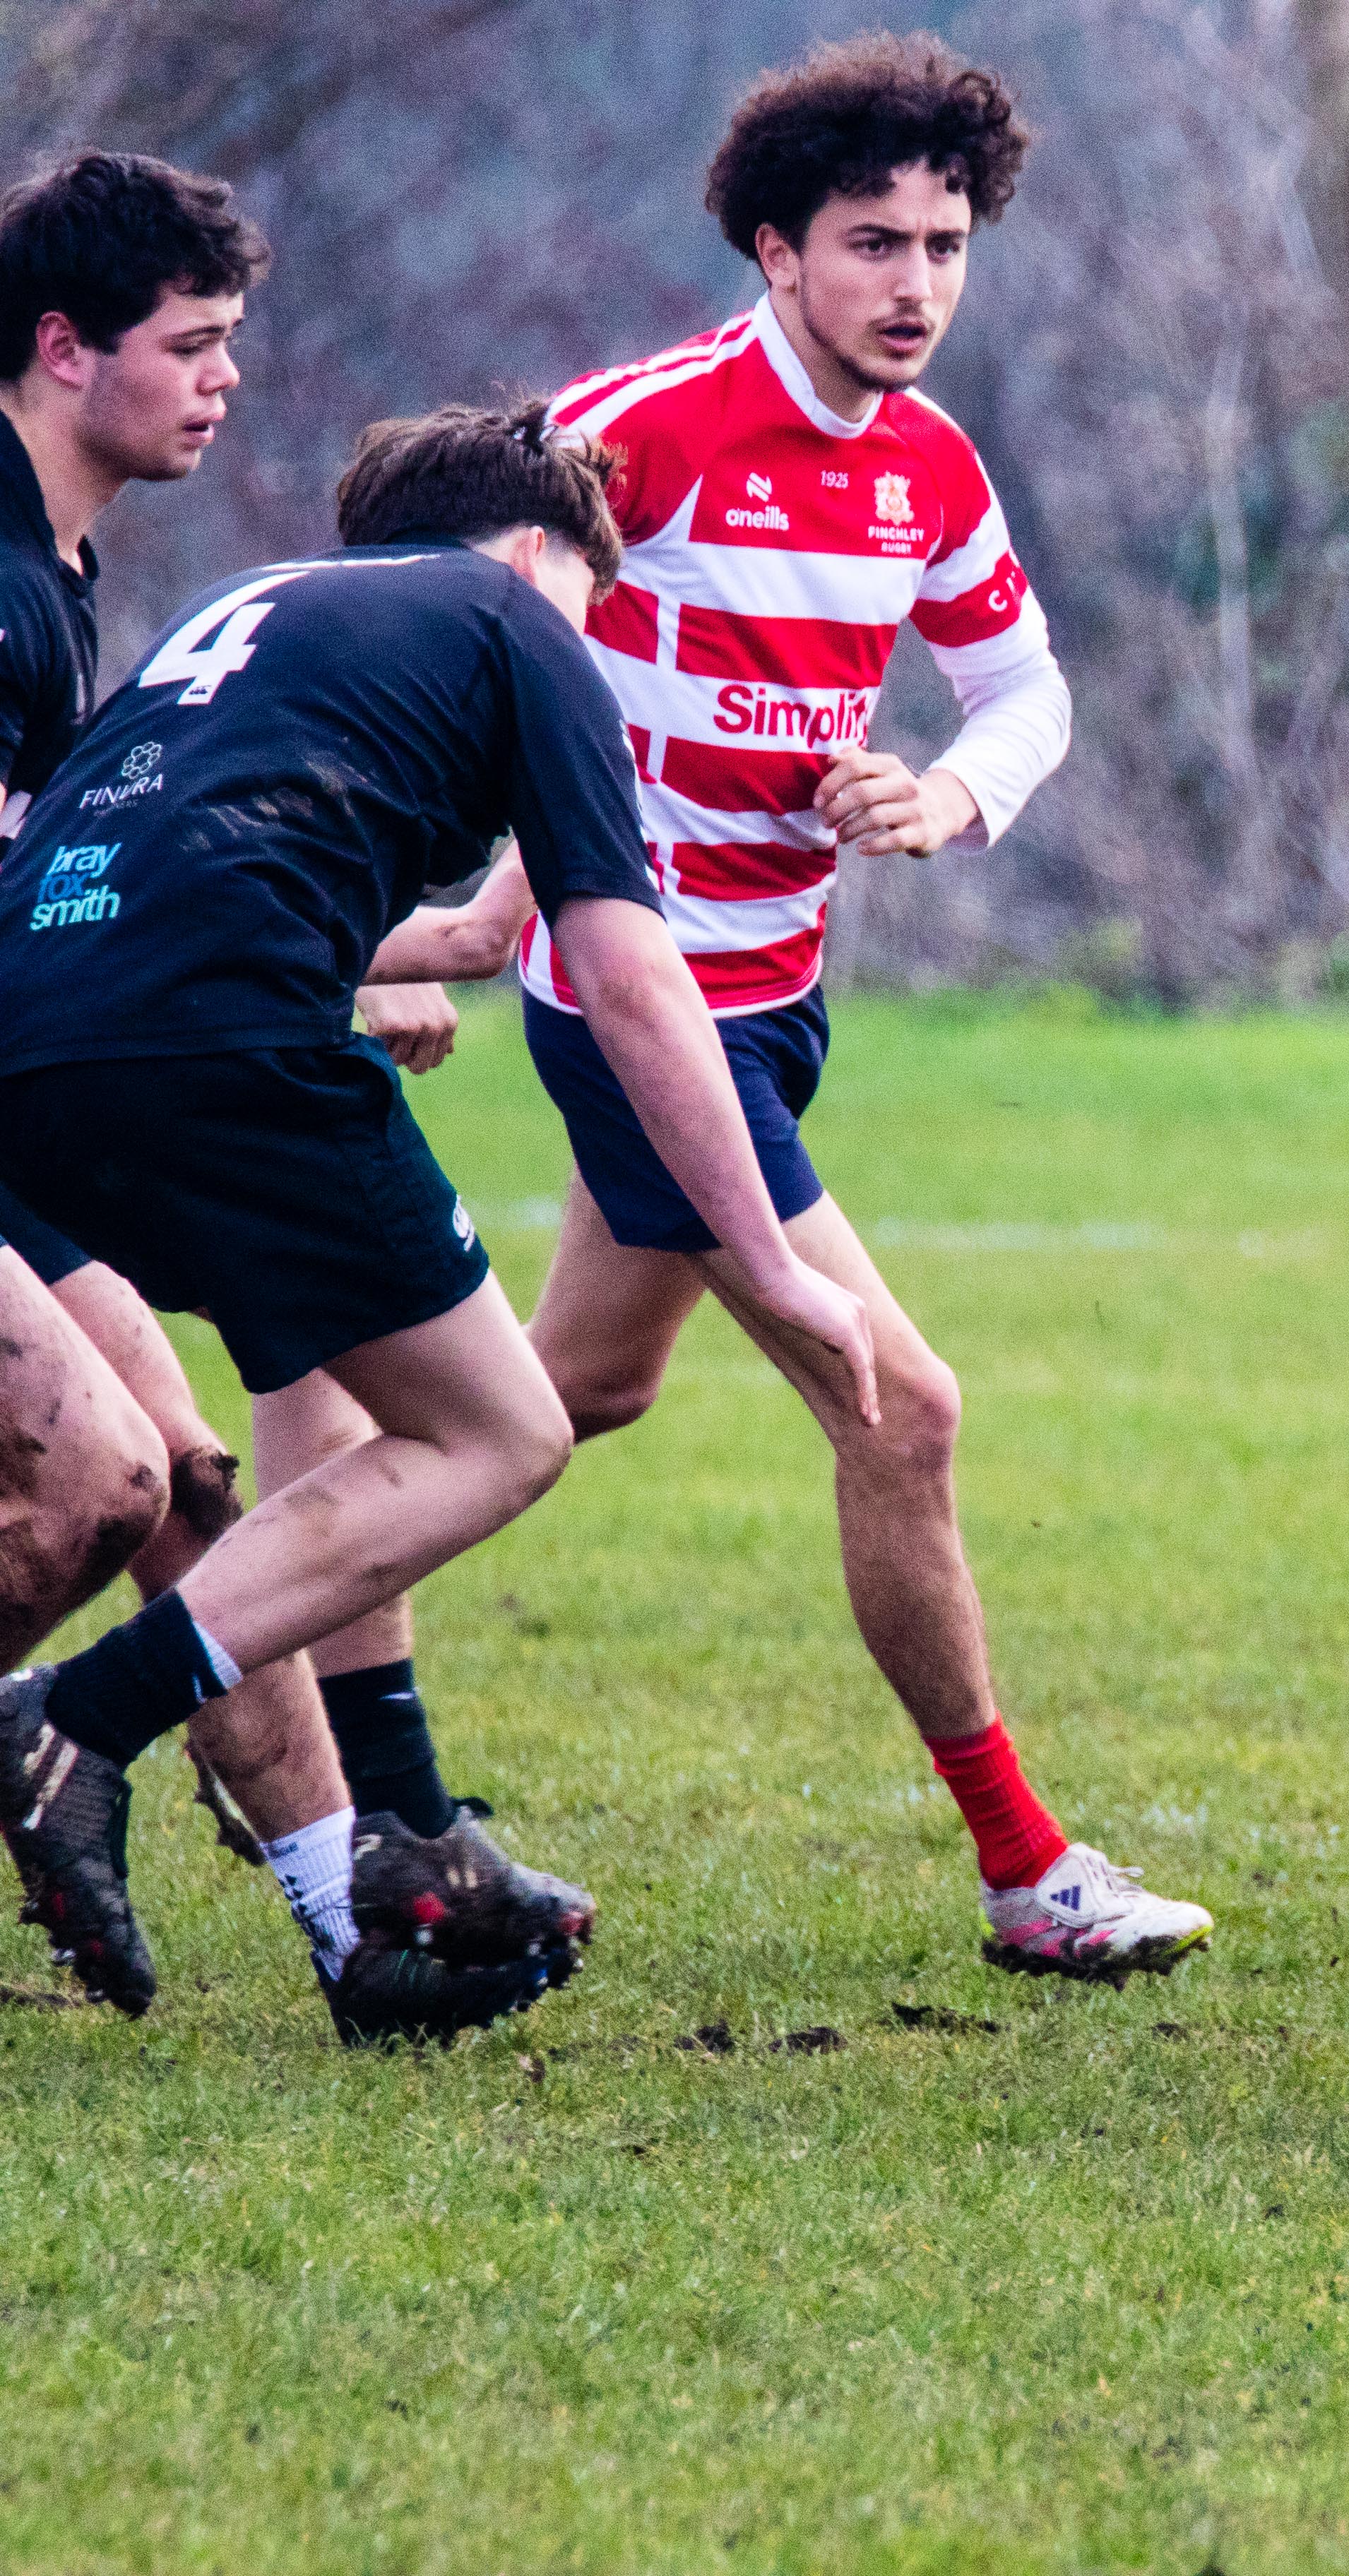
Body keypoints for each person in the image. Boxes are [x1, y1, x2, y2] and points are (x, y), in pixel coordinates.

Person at [345, 35, 1212, 1979]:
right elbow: (456, 640)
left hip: (781, 991)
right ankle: (1027, 1872)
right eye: (872, 243)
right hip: (645, 1013)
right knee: (905, 1413)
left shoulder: (929, 467)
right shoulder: (634, 438)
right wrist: (494, 895)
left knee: (566, 1397)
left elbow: (1027, 693)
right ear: (774, 249)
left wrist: (948, 793)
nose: (916, 285)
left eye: (946, 245)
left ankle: (279, 1574)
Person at [0, 402, 877, 2040]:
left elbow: (409, 922)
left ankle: (390, 1857)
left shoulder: (257, 610)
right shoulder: (515, 622)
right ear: (544, 553)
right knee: (501, 1433)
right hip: (222, 1041)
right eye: (598, 606)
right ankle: (76, 1717)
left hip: (36, 1053)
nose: (594, 642)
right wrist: (769, 1261)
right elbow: (632, 984)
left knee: (321, 1390)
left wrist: (492, 905)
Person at [0, 148, 582, 2003]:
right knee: (96, 1485)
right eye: (193, 343)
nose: (228, 377)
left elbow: (76, 901)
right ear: (64, 349)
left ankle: (361, 1920)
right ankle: (62, 1745)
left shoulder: (66, 574)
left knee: (179, 1484)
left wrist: (354, 965)